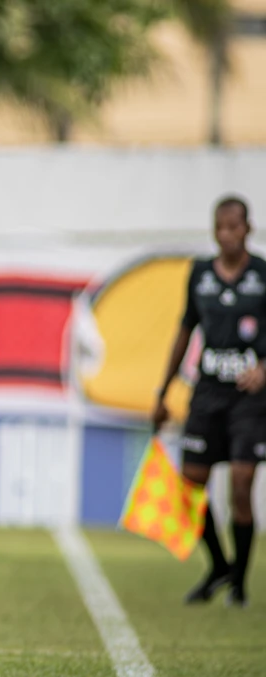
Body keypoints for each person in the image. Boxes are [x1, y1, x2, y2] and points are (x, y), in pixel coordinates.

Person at [153, 195, 265, 608]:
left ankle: (239, 585)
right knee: (191, 485)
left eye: (234, 227)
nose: (226, 235)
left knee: (240, 482)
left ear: (247, 229)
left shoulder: (262, 275)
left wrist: (264, 368)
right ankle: (220, 565)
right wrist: (163, 392)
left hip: (249, 400)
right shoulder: (200, 274)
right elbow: (185, 331)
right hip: (208, 394)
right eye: (220, 227)